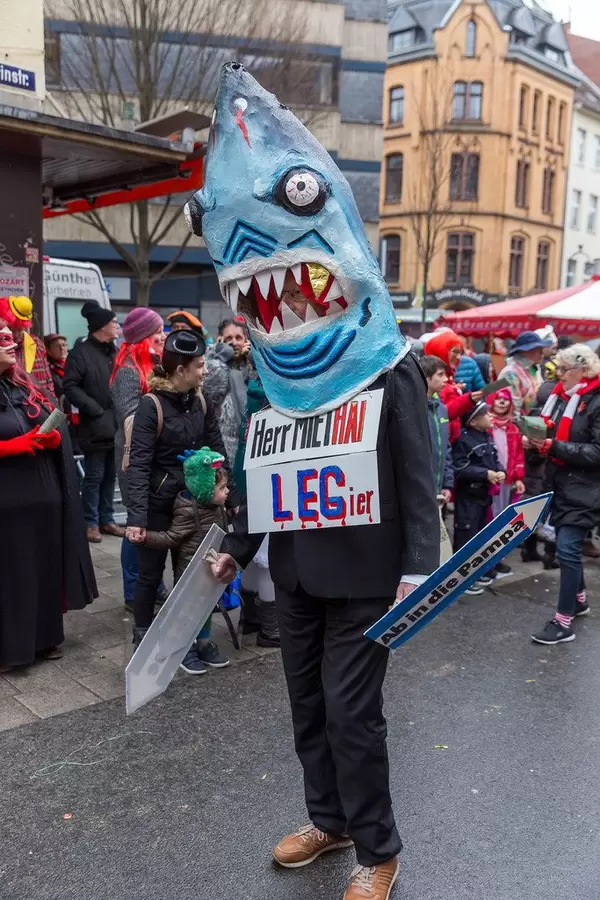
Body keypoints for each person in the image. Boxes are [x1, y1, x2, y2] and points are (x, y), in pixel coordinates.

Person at [125, 329, 240, 647]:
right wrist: (136, 517)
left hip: (195, 503)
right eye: (200, 365)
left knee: (192, 575)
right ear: (181, 370)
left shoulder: (200, 400)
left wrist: (232, 496)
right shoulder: (151, 405)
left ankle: (190, 638)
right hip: (158, 502)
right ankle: (143, 636)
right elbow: (139, 463)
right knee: (150, 573)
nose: (206, 370)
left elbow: (217, 449)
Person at [0, 321, 97, 672]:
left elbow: (48, 421)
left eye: (11, 338)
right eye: (3, 340)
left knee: (44, 569)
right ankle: (13, 648)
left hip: (44, 497)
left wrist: (56, 440)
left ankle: (45, 638)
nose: (12, 344)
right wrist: (11, 448)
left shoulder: (24, 384)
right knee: (13, 574)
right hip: (7, 504)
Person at [529, 344, 600, 645]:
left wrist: (553, 447)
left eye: (564, 369)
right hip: (561, 483)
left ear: (583, 370)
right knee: (566, 546)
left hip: (585, 487)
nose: (558, 375)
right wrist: (534, 437)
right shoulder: (561, 397)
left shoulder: (595, 400)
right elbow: (553, 430)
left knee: (567, 549)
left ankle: (563, 622)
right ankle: (580, 600)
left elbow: (597, 451)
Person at [143, 447, 231, 673]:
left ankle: (203, 643)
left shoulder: (218, 506)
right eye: (222, 488)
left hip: (211, 569)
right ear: (204, 488)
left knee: (206, 607)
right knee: (187, 610)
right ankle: (182, 647)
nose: (227, 491)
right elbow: (171, 537)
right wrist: (145, 538)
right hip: (191, 570)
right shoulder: (188, 511)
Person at [109, 307, 165, 610]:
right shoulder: (129, 372)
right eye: (157, 331)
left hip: (152, 458)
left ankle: (154, 584)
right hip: (132, 461)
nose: (162, 335)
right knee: (135, 524)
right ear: (143, 336)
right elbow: (130, 417)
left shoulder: (152, 364)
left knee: (151, 524)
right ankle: (133, 591)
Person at [63, 300, 123, 543]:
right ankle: (91, 522)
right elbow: (70, 386)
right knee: (95, 475)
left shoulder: (113, 351)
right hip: (95, 425)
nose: (117, 326)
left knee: (111, 475)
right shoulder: (81, 353)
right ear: (101, 327)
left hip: (115, 424)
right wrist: (94, 409)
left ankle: (107, 519)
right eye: (113, 322)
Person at [452, 401, 506, 595]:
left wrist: (500, 472)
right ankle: (460, 579)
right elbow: (459, 468)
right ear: (474, 422)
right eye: (486, 414)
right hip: (469, 497)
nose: (490, 416)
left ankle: (477, 573)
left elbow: (496, 461)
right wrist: (485, 474)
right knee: (466, 536)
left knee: (482, 535)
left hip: (484, 496)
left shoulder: (487, 437)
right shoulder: (464, 440)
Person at [203, 317, 253, 466]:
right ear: (220, 340)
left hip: (248, 445)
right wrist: (223, 355)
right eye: (228, 338)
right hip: (221, 447)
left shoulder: (251, 367)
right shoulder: (209, 364)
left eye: (238, 337)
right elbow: (212, 392)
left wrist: (252, 358)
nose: (234, 342)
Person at [487, 388, 525, 577]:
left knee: (502, 518)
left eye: (506, 400)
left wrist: (518, 478)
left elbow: (518, 454)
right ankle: (486, 559)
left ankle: (497, 557)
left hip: (506, 481)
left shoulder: (512, 428)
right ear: (492, 401)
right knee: (488, 518)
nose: (502, 403)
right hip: (489, 479)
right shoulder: (487, 425)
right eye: (499, 399)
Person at [424, 329, 483, 443]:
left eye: (460, 352)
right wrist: (468, 399)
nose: (459, 357)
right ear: (441, 351)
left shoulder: (449, 377)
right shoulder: (434, 380)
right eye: (454, 352)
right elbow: (443, 412)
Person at [0, 296, 56, 400]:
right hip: (11, 407)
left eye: (20, 330)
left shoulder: (36, 344)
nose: (16, 335)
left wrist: (54, 410)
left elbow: (48, 383)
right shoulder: (2, 347)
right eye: (12, 329)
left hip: (37, 405)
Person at [421, 355, 454, 505]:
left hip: (440, 490)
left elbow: (445, 449)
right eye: (440, 375)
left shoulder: (442, 408)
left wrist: (447, 484)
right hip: (422, 491)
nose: (446, 379)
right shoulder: (415, 408)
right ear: (426, 377)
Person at [498, 331, 553, 416]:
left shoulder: (532, 369)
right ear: (529, 351)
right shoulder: (510, 373)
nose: (542, 354)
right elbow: (512, 408)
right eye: (539, 350)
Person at [43, 333, 68, 401]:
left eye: (64, 345)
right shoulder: (46, 370)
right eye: (57, 346)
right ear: (48, 350)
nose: (62, 348)